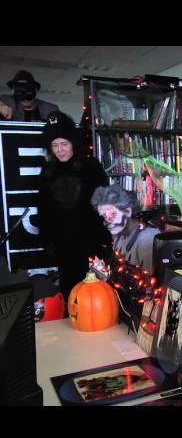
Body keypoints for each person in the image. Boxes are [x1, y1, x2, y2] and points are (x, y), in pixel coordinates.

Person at [33, 111, 111, 305]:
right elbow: (43, 208)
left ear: (73, 143)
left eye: (64, 144)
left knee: (95, 292)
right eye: (55, 145)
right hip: (63, 245)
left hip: (90, 242)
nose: (60, 150)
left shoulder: (91, 166)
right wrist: (47, 238)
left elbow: (105, 202)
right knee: (70, 293)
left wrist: (104, 237)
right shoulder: (47, 171)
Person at [90, 184, 161, 272]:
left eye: (113, 214)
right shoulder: (119, 236)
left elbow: (150, 282)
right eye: (105, 216)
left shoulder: (148, 239)